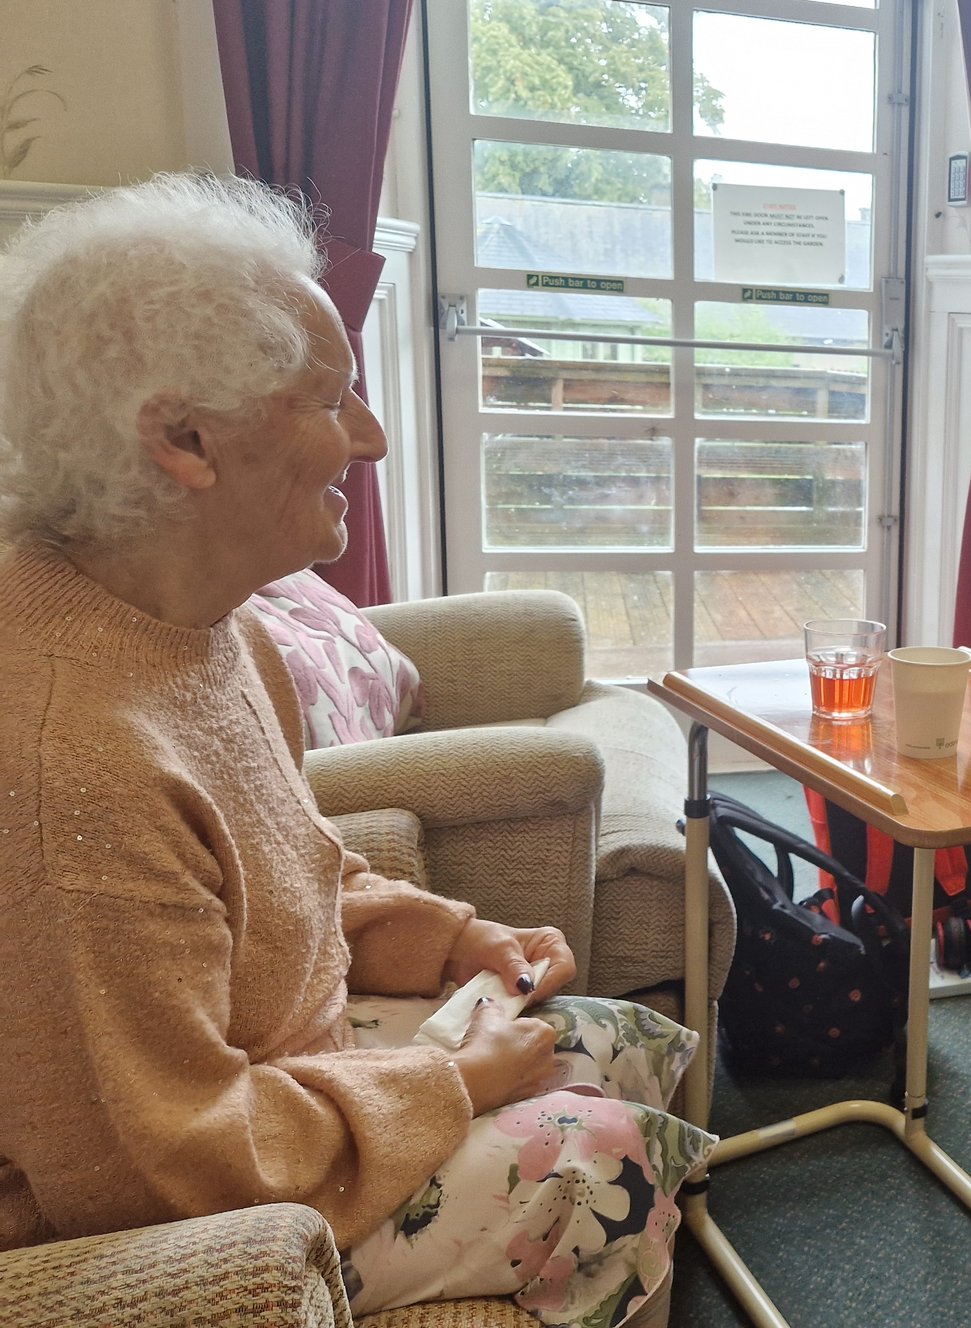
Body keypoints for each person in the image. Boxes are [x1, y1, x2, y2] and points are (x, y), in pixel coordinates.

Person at [0, 174, 712, 1326]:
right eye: (332, 399)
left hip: (276, 1080)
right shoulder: (68, 759)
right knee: (604, 1157)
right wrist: (453, 1082)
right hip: (168, 1214)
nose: (371, 439)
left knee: (620, 1033)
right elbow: (144, 1171)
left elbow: (293, 869)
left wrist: (446, 938)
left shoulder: (202, 624)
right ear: (183, 439)